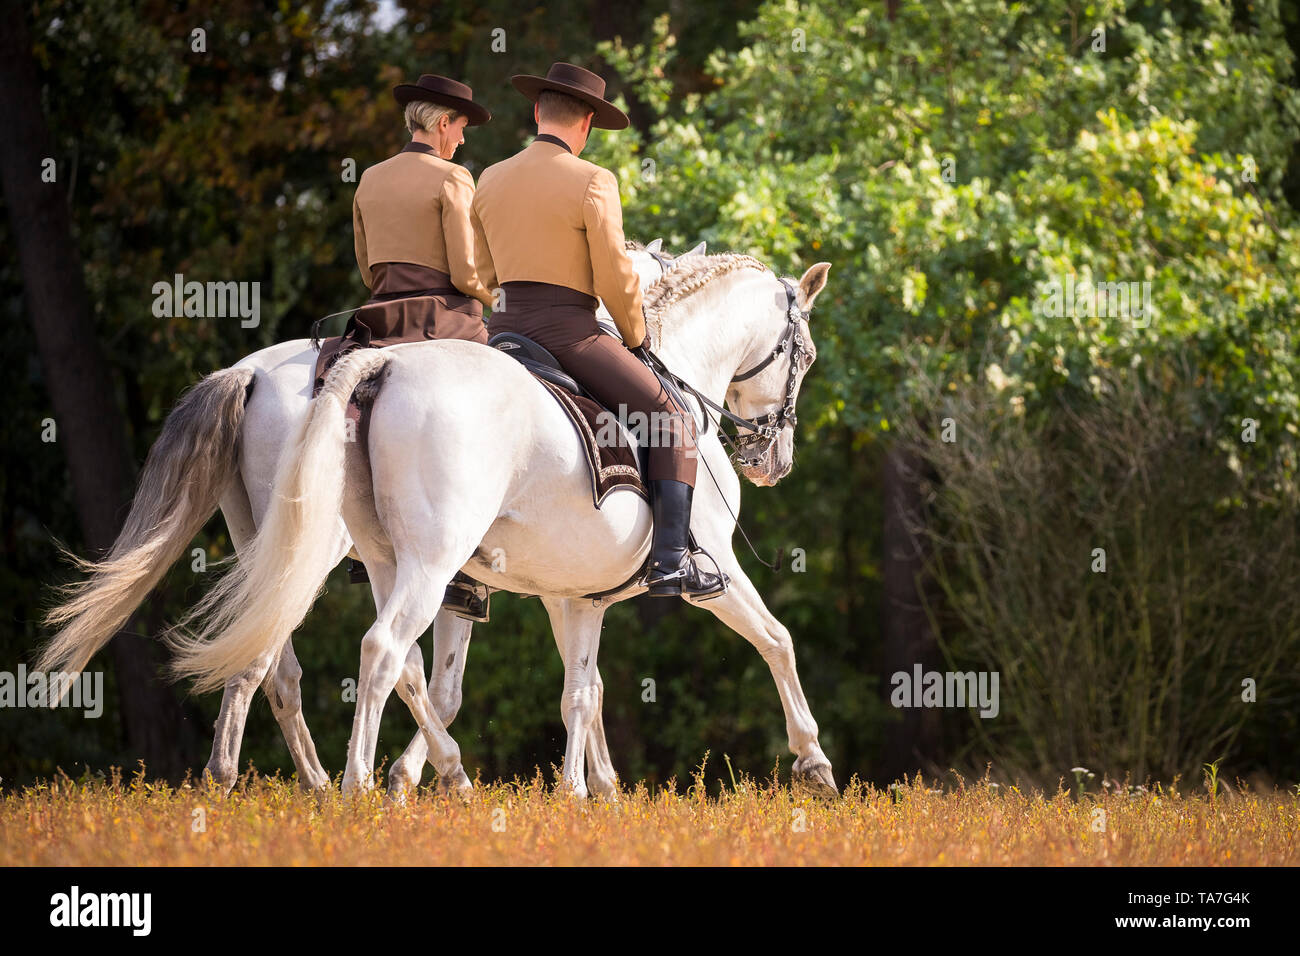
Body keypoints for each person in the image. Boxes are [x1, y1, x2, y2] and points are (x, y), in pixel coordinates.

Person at [471, 62, 724, 599]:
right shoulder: (592, 181)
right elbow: (614, 274)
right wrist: (636, 337)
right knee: (672, 416)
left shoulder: (489, 177)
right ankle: (672, 562)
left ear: (537, 112)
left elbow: (485, 273)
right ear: (586, 123)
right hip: (571, 334)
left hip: (503, 329)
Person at [317, 73, 495, 620]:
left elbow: (366, 262)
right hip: (441, 317)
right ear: (443, 124)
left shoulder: (368, 179)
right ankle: (476, 542)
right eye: (461, 128)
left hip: (378, 319)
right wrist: (497, 292)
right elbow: (466, 272)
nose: (462, 140)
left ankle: (366, 538)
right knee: (505, 394)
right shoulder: (454, 178)